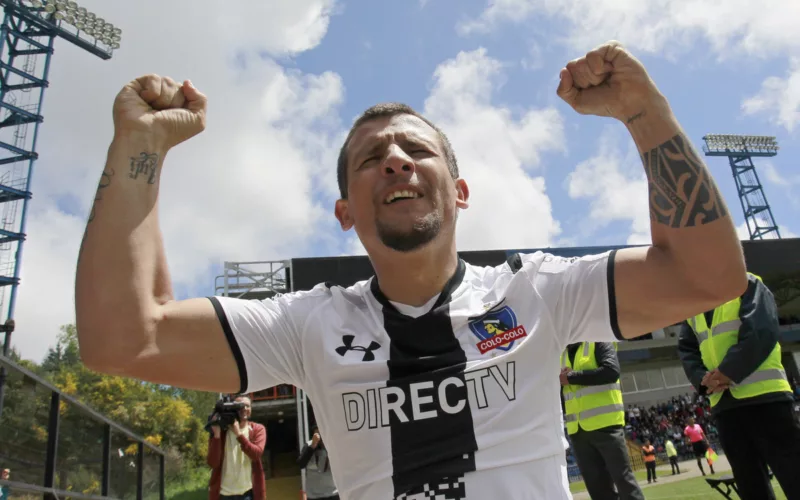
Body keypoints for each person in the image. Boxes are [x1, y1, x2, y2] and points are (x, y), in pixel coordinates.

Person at [75, 40, 747, 500]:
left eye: (415, 150)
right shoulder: (309, 325)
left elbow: (705, 276)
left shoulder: (536, 292)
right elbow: (125, 336)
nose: (395, 160)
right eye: (371, 159)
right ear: (345, 211)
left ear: (459, 190)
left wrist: (643, 113)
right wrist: (141, 146)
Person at [678, 273, 800, 499]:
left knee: (793, 473)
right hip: (725, 406)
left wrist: (728, 372)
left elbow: (761, 331)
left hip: (765, 397)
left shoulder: (748, 283)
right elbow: (687, 349)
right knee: (750, 485)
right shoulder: (692, 305)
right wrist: (702, 380)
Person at [560, 342, 644, 499]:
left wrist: (572, 377)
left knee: (624, 482)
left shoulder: (598, 340)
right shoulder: (562, 354)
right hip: (578, 431)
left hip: (607, 425)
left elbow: (611, 371)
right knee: (597, 489)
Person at [206, 396, 267, 500]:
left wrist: (238, 434)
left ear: (251, 410)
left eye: (247, 406)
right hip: (223, 494)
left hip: (247, 493)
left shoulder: (257, 429)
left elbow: (256, 454)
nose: (244, 409)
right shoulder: (222, 431)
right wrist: (216, 435)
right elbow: (212, 463)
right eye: (240, 406)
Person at [298, 426, 339, 500]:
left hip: (333, 493)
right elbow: (301, 464)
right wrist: (313, 446)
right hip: (314, 496)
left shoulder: (333, 445)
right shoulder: (309, 445)